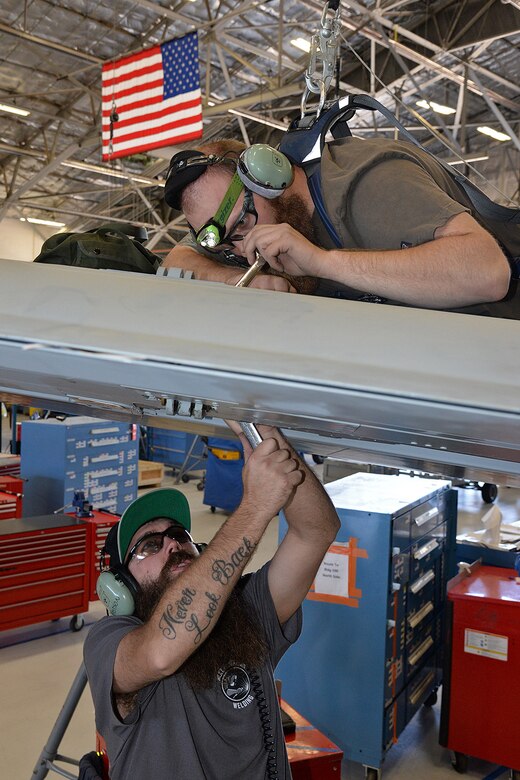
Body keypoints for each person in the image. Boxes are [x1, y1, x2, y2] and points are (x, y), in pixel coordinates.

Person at [83, 423, 340, 780]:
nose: (172, 545)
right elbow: (160, 654)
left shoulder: (246, 610)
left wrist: (263, 433)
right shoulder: (109, 641)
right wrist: (255, 507)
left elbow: (316, 531)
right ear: (120, 587)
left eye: (177, 536)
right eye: (149, 546)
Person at [161, 137, 519, 318]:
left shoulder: (372, 181)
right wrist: (238, 279)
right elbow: (176, 260)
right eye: (223, 244)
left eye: (241, 225)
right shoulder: (238, 234)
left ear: (270, 180)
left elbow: (488, 273)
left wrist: (322, 262)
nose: (242, 250)